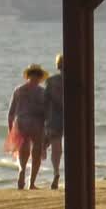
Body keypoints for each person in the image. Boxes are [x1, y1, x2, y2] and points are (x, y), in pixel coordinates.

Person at [4, 64, 48, 190]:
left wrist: (10, 129)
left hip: (22, 122)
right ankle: (31, 183)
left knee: (22, 151)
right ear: (39, 77)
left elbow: (11, 112)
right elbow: (46, 112)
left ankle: (22, 170)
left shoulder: (18, 90)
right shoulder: (42, 92)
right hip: (36, 123)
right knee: (36, 152)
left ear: (28, 75)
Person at [43, 53, 65, 190]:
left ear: (58, 65)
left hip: (55, 116)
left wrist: (44, 120)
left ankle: (56, 172)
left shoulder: (51, 81)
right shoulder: (77, 80)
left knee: (56, 148)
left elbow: (45, 101)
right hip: (73, 115)